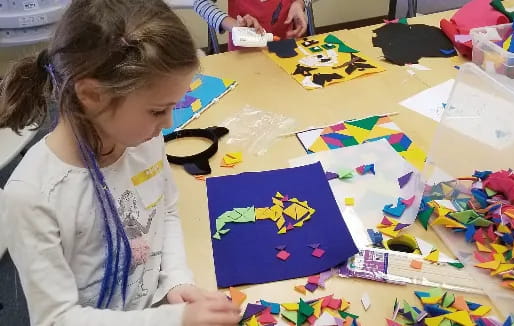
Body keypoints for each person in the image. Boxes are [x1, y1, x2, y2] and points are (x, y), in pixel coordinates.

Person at [0, 0, 241, 325]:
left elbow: (165, 209)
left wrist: (177, 279)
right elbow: (56, 318)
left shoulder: (142, 140)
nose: (168, 124)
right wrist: (175, 319)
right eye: (158, 110)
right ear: (92, 95)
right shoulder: (32, 196)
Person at [194, 0, 309, 50]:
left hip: (285, 45)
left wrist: (300, 2)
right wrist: (233, 25)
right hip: (245, 52)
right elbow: (200, 3)